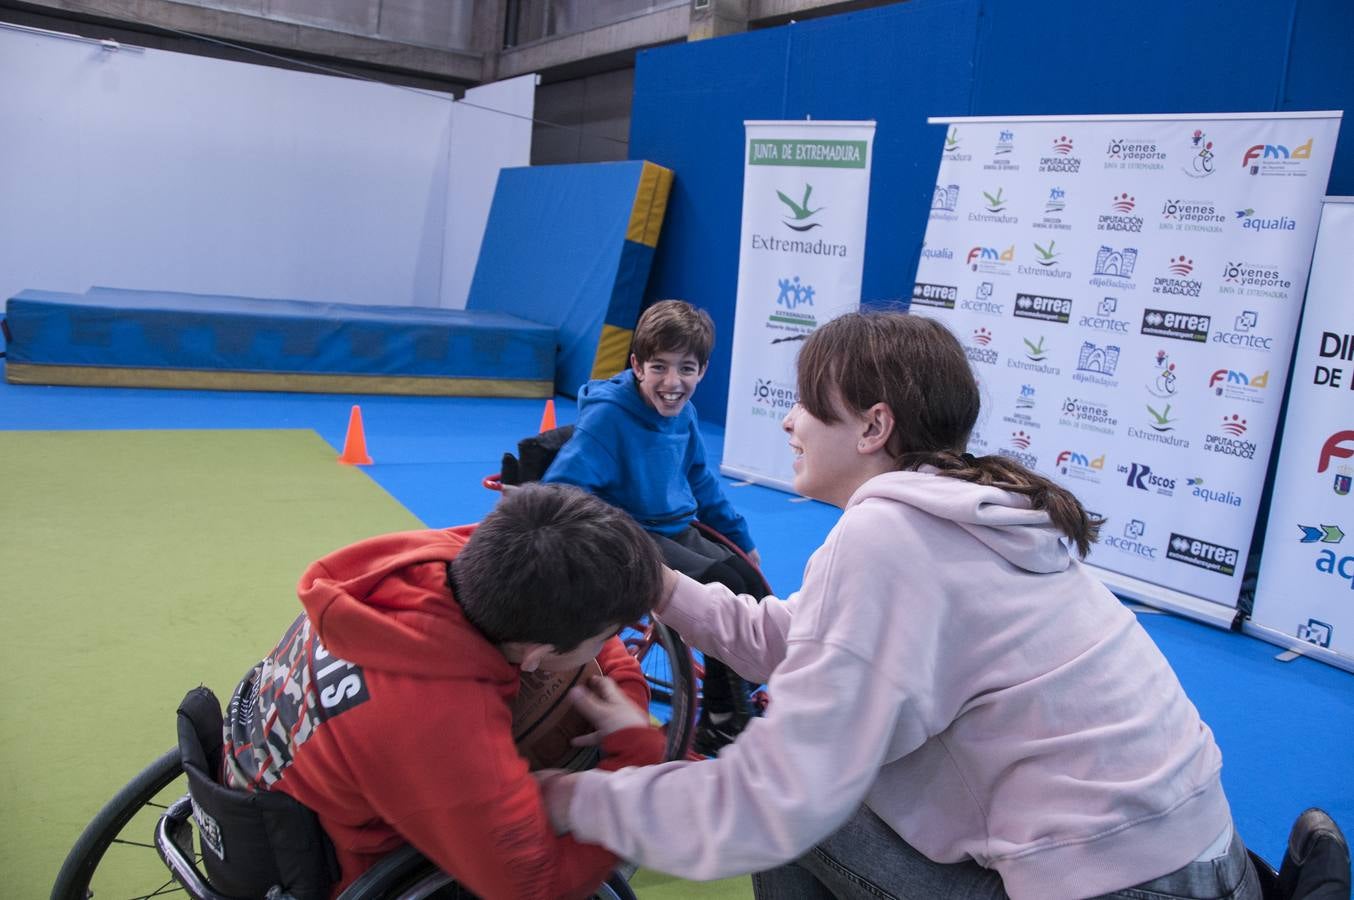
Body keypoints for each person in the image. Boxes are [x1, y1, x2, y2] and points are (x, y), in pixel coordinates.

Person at [540, 311, 1262, 900]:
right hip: (1208, 859)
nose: (789, 423)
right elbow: (795, 639)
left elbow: (774, 801)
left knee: (807, 807)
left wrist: (577, 800)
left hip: (1122, 885)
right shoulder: (971, 510)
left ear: (873, 427)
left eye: (804, 405)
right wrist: (656, 582)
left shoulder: (890, 533)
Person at [221, 482, 667, 899]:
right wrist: (633, 756)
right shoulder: (440, 721)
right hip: (344, 867)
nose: (614, 642)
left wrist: (621, 684)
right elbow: (537, 887)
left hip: (254, 781)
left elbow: (583, 614)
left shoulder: (446, 557)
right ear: (534, 654)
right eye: (608, 633)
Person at [542, 299, 766, 754]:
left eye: (686, 368)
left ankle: (739, 691)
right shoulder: (608, 417)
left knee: (749, 582)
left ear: (702, 370)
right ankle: (721, 721)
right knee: (719, 586)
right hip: (627, 533)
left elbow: (702, 481)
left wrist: (743, 541)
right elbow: (560, 489)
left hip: (673, 526)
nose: (672, 382)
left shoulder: (684, 414)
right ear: (637, 366)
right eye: (659, 367)